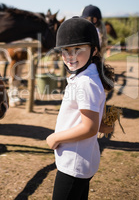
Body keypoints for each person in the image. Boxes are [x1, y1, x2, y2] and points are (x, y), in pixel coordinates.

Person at [46, 17, 115, 199]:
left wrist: (55, 137)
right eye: (66, 51)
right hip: (80, 159)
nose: (71, 56)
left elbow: (89, 128)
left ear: (93, 50)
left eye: (78, 50)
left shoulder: (85, 82)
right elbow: (98, 124)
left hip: (73, 163)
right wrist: (106, 121)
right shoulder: (87, 77)